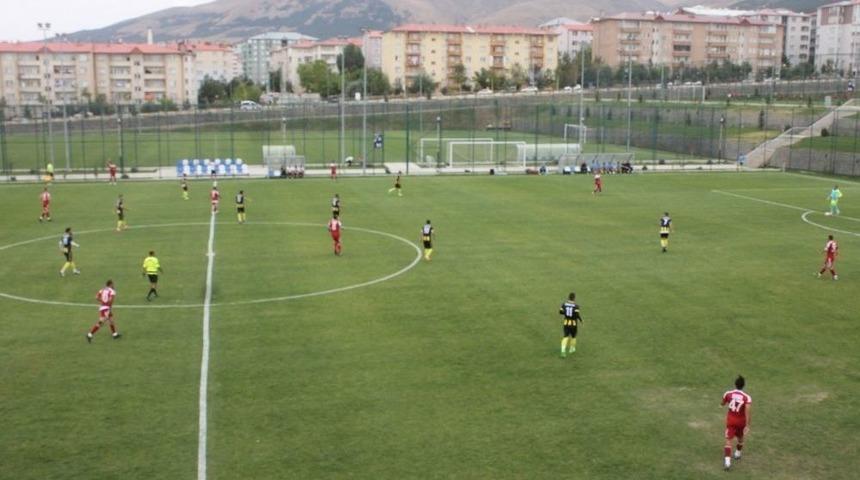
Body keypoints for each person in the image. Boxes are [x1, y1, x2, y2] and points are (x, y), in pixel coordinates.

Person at [721, 375, 752, 470]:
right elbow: (748, 412)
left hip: (731, 421)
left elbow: (722, 403)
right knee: (740, 438)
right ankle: (738, 453)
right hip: (741, 422)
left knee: (728, 440)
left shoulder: (728, 394)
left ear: (735, 384)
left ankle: (727, 462)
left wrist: (721, 405)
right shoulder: (747, 398)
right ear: (744, 385)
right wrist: (748, 425)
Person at [558, 292, 583, 358]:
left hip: (566, 323)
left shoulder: (564, 304)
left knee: (565, 336)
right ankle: (572, 349)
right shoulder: (576, 306)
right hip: (574, 323)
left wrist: (566, 313)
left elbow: (560, 312)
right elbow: (577, 315)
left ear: (568, 297)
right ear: (574, 298)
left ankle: (563, 351)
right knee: (573, 336)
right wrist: (580, 320)